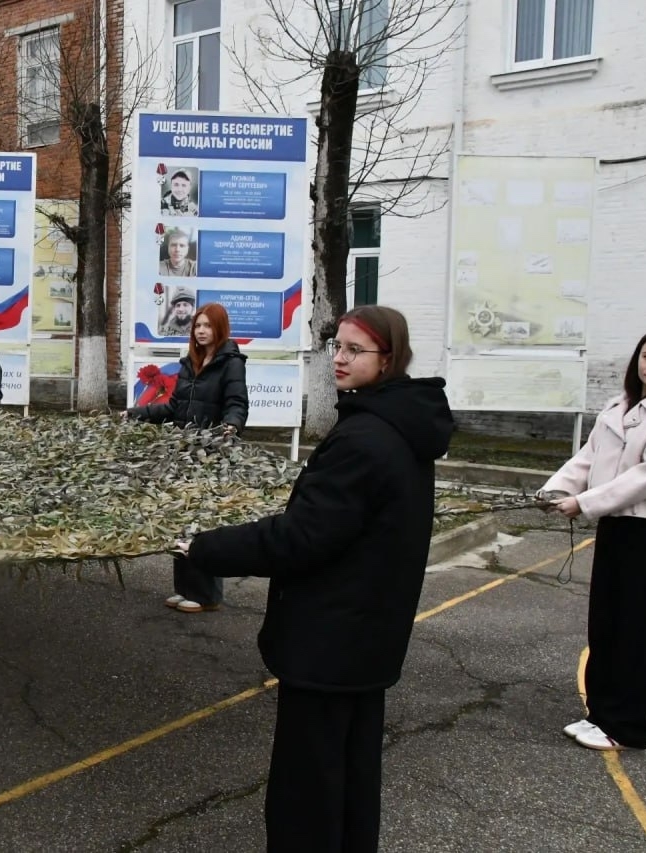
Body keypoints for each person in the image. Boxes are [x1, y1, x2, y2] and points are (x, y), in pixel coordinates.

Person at [178, 305, 453, 851]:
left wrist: (205, 548)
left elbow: (301, 538)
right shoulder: (401, 425)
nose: (340, 359)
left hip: (331, 640)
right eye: (337, 347)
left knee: (308, 790)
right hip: (367, 636)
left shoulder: (366, 439)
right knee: (350, 776)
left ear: (388, 359)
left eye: (355, 350)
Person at [541, 326, 646, 752]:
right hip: (614, 525)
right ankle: (601, 713)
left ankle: (627, 725)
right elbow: (587, 458)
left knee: (637, 629)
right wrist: (554, 490)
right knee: (606, 622)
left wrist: (584, 503)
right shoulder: (618, 406)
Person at [126, 303, 248, 614]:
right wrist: (136, 414)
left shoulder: (231, 363)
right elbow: (173, 408)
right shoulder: (189, 363)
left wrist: (231, 425)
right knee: (181, 519)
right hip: (183, 451)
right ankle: (185, 588)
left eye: (207, 326)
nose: (201, 331)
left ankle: (206, 595)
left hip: (211, 453)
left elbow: (237, 403)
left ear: (220, 328)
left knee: (203, 523)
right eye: (198, 326)